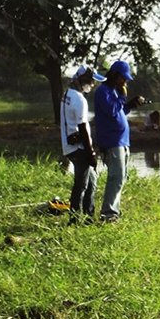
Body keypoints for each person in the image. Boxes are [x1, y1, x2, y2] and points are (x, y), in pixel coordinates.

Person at [93, 59, 147, 222]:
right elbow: (111, 111)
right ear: (114, 75)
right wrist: (123, 96)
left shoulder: (114, 91)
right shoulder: (103, 91)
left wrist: (130, 104)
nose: (124, 81)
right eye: (123, 78)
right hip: (112, 141)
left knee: (121, 177)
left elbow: (119, 112)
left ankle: (113, 210)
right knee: (116, 176)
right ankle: (108, 214)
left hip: (122, 141)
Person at [61, 64, 106, 225]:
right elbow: (82, 128)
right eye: (91, 81)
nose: (93, 85)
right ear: (82, 80)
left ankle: (88, 217)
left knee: (91, 181)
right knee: (81, 185)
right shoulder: (79, 99)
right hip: (79, 148)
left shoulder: (68, 94)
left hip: (70, 145)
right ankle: (74, 220)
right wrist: (91, 153)